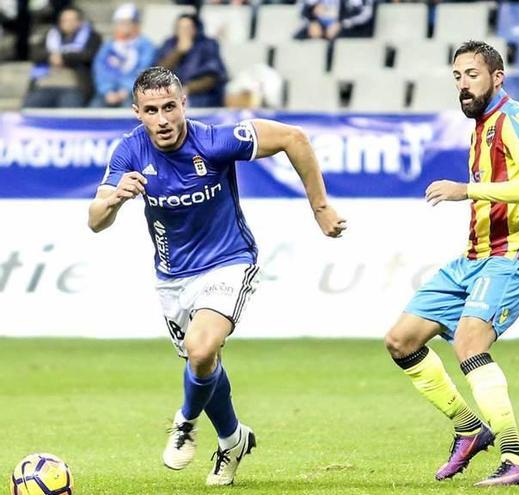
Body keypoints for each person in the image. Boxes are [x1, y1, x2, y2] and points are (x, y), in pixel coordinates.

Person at [87, 66, 345, 486]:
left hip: (229, 260)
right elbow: (95, 220)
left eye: (170, 106)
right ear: (137, 112)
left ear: (184, 103)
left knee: (201, 348)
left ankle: (185, 421)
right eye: (152, 110)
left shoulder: (215, 140)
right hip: (172, 277)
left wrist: (320, 208)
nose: (164, 119)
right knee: (204, 363)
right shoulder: (129, 152)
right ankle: (232, 440)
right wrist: (115, 198)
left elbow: (293, 139)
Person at [384, 40, 519, 487]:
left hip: (511, 256)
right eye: (457, 76)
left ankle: (516, 460)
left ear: (498, 77)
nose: (463, 84)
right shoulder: (480, 126)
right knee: (401, 341)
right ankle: (469, 428)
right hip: (472, 258)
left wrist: (467, 190)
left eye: (472, 74)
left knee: (470, 344)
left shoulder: (516, 120)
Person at [24, 6, 101, 108]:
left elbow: (88, 55)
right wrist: (51, 56)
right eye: (64, 20)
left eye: (71, 20)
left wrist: (63, 57)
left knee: (69, 113)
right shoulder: (50, 35)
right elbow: (34, 54)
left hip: (73, 86)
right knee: (29, 109)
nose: (67, 23)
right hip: (45, 84)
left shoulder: (92, 36)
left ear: (80, 22)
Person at [91, 4, 155, 108]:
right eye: (120, 23)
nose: (123, 26)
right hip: (108, 92)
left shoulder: (145, 45)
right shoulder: (109, 46)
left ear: (135, 24)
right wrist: (107, 90)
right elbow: (100, 69)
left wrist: (126, 89)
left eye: (127, 23)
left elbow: (144, 70)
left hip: (134, 92)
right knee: (94, 109)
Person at [156, 14, 227, 107]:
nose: (183, 31)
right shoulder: (169, 44)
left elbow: (213, 77)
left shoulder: (208, 45)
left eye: (187, 28)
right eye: (180, 27)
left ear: (195, 29)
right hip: (170, 93)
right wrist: (178, 52)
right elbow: (157, 72)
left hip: (200, 95)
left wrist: (187, 89)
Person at [295, 0, 375, 40]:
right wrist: (312, 21)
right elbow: (302, 8)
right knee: (299, 37)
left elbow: (365, 13)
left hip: (347, 26)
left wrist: (341, 23)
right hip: (319, 25)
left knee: (338, 38)